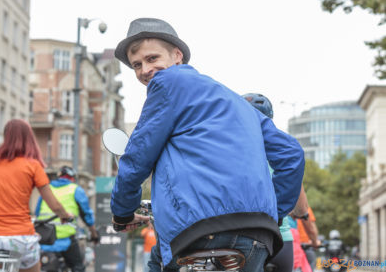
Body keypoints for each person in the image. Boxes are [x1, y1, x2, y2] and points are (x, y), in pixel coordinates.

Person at [109, 18, 305, 272]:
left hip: (201, 233)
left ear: (177, 55)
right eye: (137, 65)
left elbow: (137, 157)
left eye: (152, 58)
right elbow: (292, 154)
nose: (145, 70)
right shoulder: (235, 101)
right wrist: (271, 213)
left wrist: (122, 212)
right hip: (257, 238)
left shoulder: (167, 83)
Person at [0, 119, 73, 272]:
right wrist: (65, 215)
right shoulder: (33, 166)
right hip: (20, 237)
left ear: (5, 137)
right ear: (28, 138)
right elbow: (54, 205)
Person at [243, 93, 312, 272]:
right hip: (279, 240)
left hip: (240, 236)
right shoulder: (283, 156)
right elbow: (301, 208)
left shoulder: (233, 155)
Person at [35, 166, 99, 272]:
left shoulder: (47, 189)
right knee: (78, 267)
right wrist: (94, 234)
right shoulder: (76, 190)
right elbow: (87, 215)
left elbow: (37, 212)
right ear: (72, 178)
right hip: (66, 240)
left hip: (45, 241)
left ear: (58, 177)